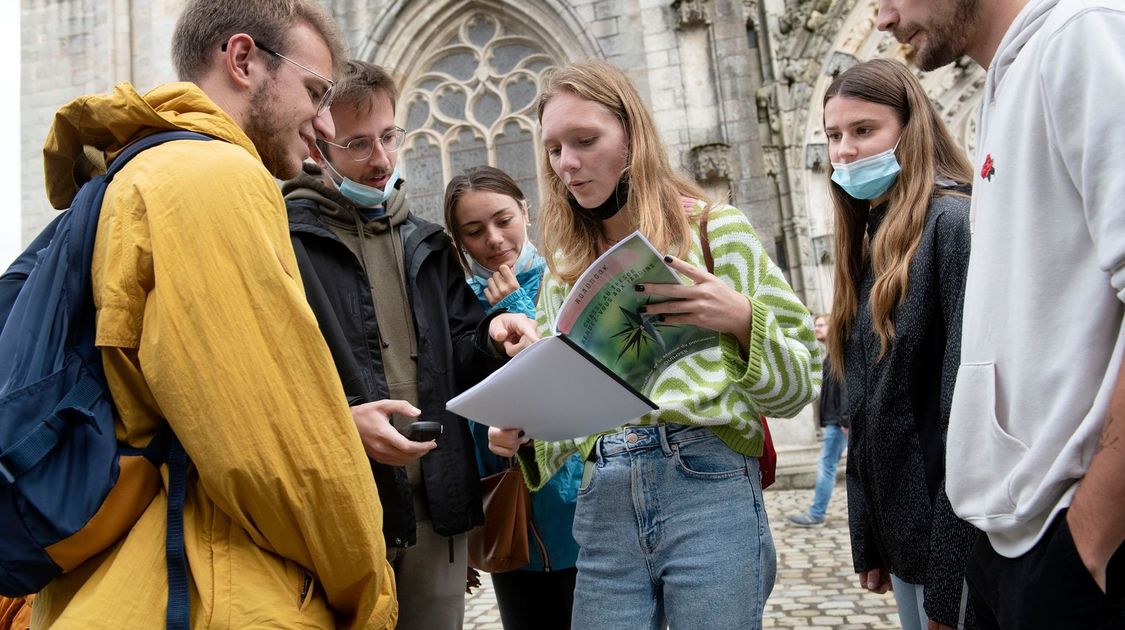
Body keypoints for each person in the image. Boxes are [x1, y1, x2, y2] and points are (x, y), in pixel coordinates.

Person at [30, 0, 398, 627]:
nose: (326, 122)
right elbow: (275, 453)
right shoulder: (210, 178)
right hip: (207, 591)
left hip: (130, 583)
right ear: (243, 59)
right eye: (314, 91)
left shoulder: (134, 172)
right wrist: (372, 594)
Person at [487, 60, 820, 630]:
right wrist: (520, 432)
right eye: (553, 149)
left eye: (585, 141)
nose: (567, 163)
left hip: (708, 484)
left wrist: (743, 320)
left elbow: (796, 390)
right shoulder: (565, 271)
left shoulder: (719, 232)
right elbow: (567, 429)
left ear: (632, 138)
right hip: (605, 496)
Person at [876, 0, 1125, 627]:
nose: (881, 17)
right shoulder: (1010, 77)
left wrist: (1088, 540)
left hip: (1071, 538)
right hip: (1008, 538)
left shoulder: (1082, 36)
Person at [281, 61, 535, 630]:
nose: (382, 160)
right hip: (342, 508)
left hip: (436, 503)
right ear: (317, 141)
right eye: (358, 144)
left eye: (390, 136)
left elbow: (465, 349)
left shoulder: (426, 241)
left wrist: (492, 336)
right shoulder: (281, 238)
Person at [822, 59, 980, 630]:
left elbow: (965, 410)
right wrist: (870, 534)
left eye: (864, 131)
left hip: (956, 544)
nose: (844, 151)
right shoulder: (871, 241)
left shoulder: (951, 225)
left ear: (909, 130)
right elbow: (868, 410)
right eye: (834, 135)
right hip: (908, 537)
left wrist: (948, 583)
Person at [443, 165, 584, 630]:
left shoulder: (569, 278)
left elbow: (572, 381)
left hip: (577, 505)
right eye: (474, 230)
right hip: (506, 510)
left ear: (525, 211)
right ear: (459, 240)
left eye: (503, 219)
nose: (495, 238)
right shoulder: (459, 304)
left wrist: (517, 311)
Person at [787, 313, 848, 527]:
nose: (816, 329)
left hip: (839, 423)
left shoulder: (841, 352)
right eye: (815, 325)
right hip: (836, 420)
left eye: (821, 325)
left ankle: (816, 514)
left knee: (827, 465)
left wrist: (845, 419)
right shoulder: (830, 355)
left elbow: (848, 387)